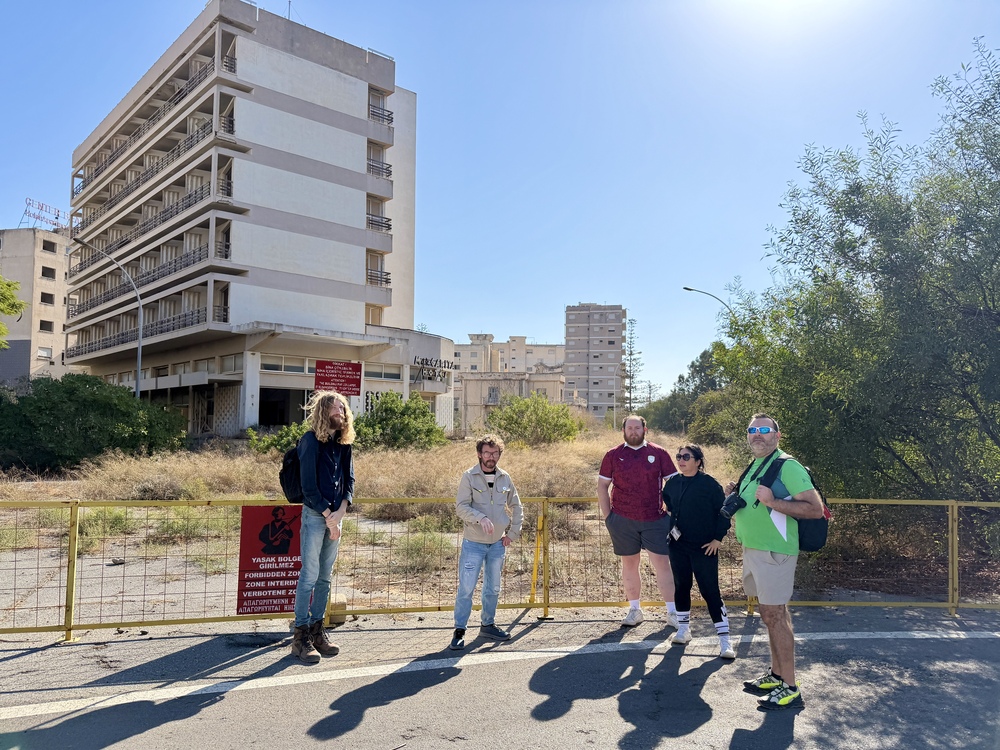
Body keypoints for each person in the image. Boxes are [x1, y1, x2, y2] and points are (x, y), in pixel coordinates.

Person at [725, 413, 824, 710]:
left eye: (764, 430)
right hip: (756, 550)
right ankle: (777, 675)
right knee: (772, 614)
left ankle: (790, 688)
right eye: (752, 429)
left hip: (775, 553)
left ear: (777, 436)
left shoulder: (787, 466)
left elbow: (815, 509)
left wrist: (773, 502)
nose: (757, 434)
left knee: (775, 616)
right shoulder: (757, 464)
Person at [291, 390, 355, 664]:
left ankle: (318, 632)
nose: (341, 412)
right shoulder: (309, 441)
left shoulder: (343, 443)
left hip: (335, 516)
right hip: (315, 516)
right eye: (336, 408)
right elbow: (309, 487)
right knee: (309, 575)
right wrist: (329, 516)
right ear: (323, 411)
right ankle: (300, 637)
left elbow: (349, 481)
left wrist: (340, 513)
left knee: (325, 577)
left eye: (343, 408)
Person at [598, 415, 678, 628]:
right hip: (622, 520)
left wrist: (671, 513)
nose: (633, 432)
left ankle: (673, 613)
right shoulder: (613, 455)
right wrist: (608, 517)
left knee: (663, 564)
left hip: (656, 519)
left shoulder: (659, 453)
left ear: (645, 429)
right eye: (629, 428)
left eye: (637, 428)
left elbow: (674, 484)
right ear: (623, 430)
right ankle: (634, 610)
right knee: (629, 565)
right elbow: (602, 486)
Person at [450, 434, 524, 650]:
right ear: (479, 454)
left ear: (499, 454)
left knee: (493, 588)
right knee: (466, 588)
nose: (491, 457)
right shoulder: (469, 477)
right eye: (487, 453)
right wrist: (479, 518)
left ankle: (488, 625)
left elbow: (517, 507)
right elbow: (461, 507)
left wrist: (512, 534)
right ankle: (459, 630)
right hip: (473, 543)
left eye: (495, 453)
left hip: (497, 545)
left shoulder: (505, 478)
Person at [661, 444, 734, 659]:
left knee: (710, 591)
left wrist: (717, 539)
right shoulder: (672, 483)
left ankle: (725, 641)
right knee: (682, 586)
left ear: (698, 461)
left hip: (705, 547)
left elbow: (723, 513)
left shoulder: (709, 484)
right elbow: (670, 507)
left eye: (686, 457)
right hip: (678, 546)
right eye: (678, 456)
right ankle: (683, 630)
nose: (681, 460)